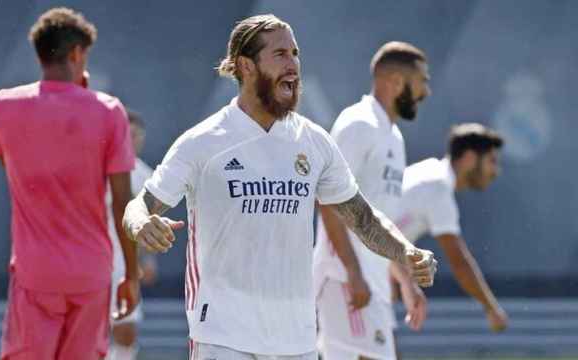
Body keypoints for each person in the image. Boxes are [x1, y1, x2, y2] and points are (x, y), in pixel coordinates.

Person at [122, 15, 437, 360]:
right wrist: (142, 224)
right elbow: (139, 206)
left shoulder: (315, 142)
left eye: (295, 53)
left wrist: (404, 252)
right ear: (246, 65)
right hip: (223, 334)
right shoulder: (203, 142)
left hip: (295, 339)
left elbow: (362, 218)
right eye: (281, 54)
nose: (294, 65)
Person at [0, 8, 139, 359]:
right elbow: (122, 202)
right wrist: (130, 274)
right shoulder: (108, 111)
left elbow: (9, 164)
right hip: (91, 274)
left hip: (34, 273)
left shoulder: (3, 106)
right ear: (76, 54)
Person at [314, 41, 431, 360]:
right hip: (345, 278)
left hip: (372, 280)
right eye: (422, 81)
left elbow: (380, 218)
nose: (425, 92)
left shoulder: (392, 135)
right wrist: (353, 272)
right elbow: (328, 200)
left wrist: (405, 281)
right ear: (396, 80)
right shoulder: (359, 123)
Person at [394, 123, 508, 332]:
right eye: (491, 161)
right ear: (469, 159)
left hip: (361, 275)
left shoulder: (431, 171)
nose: (495, 171)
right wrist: (491, 308)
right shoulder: (438, 188)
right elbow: (459, 262)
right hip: (352, 275)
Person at [106, 109, 158, 360]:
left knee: (126, 328)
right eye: (127, 134)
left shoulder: (147, 177)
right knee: (88, 327)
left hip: (125, 264)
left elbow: (148, 223)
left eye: (137, 135)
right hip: (91, 259)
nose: (132, 139)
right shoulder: (94, 169)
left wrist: (147, 259)